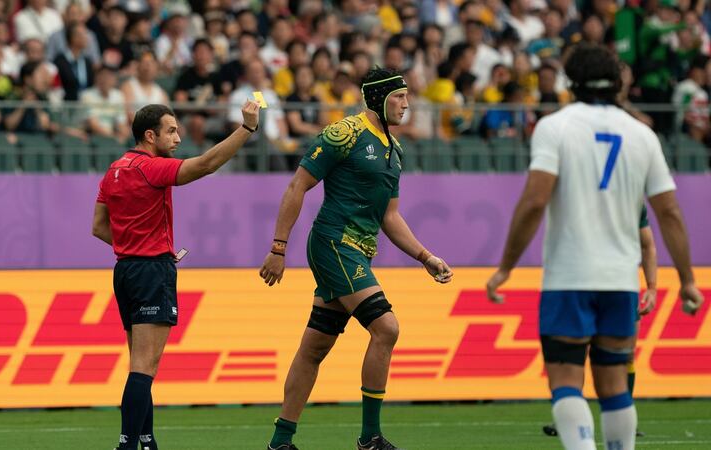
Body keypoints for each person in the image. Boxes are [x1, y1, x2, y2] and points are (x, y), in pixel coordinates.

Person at [485, 43, 704, 450]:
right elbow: (669, 212)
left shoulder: (555, 126)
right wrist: (688, 280)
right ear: (618, 83)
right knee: (615, 384)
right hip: (620, 281)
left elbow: (534, 201)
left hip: (569, 277)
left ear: (572, 82)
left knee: (567, 381)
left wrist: (506, 268)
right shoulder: (643, 134)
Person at [259, 67, 453, 450]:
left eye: (406, 96)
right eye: (398, 97)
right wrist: (278, 248)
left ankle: (280, 442)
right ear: (379, 98)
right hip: (334, 243)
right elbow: (298, 184)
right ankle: (370, 438)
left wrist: (425, 256)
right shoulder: (343, 133)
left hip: (359, 252)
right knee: (387, 328)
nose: (406, 104)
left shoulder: (395, 151)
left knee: (314, 348)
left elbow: (390, 217)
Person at [92, 100, 261, 450]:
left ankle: (147, 441)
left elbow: (98, 227)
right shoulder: (151, 168)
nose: (178, 137)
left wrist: (132, 243)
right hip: (152, 270)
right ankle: (125, 444)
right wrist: (246, 129)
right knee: (144, 367)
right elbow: (208, 163)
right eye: (171, 130)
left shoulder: (114, 170)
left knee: (140, 365)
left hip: (125, 270)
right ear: (149, 135)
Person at [542, 207, 658, 439]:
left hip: (618, 284)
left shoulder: (631, 200)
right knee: (576, 355)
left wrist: (652, 286)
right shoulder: (580, 193)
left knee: (624, 356)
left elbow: (647, 244)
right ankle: (571, 420)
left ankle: (626, 420)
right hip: (583, 283)